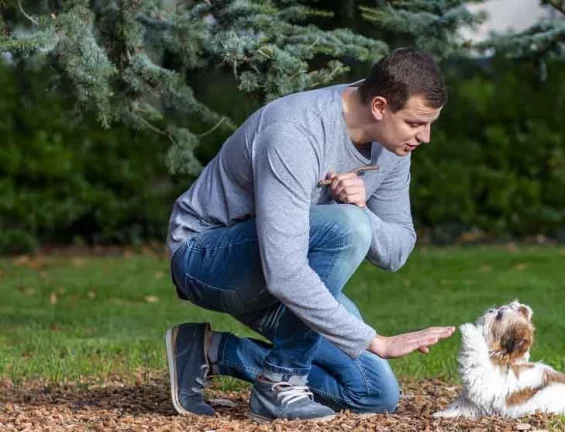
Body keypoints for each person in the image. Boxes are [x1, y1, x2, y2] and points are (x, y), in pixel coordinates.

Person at [163, 47, 455, 423]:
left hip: (285, 275)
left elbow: (396, 251)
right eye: (416, 123)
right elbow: (284, 272)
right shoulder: (295, 132)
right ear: (380, 106)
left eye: (430, 124)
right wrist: (375, 341)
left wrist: (363, 208)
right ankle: (280, 382)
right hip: (206, 259)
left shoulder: (393, 147)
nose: (425, 137)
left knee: (373, 393)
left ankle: (209, 350)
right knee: (346, 227)